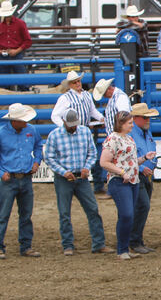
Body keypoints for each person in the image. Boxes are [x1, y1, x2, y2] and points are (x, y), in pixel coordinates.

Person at [42, 109, 110, 256]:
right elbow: (49, 158)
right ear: (64, 122)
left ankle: (99, 243)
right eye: (71, 124)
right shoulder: (55, 135)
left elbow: (92, 153)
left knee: (93, 209)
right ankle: (68, 244)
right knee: (65, 212)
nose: (74, 127)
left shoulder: (84, 132)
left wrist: (87, 167)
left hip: (81, 177)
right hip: (64, 178)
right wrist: (63, 172)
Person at [0, 103, 42, 259]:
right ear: (14, 121)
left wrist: (37, 161)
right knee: (3, 214)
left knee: (26, 214)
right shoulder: (0, 134)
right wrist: (0, 172)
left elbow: (38, 146)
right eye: (23, 120)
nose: (26, 123)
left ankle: (26, 246)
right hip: (9, 178)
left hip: (25, 177)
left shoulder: (31, 130)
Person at [100, 111, 156, 260]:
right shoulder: (112, 139)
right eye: (129, 123)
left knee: (128, 215)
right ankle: (122, 249)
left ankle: (124, 248)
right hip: (119, 181)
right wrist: (121, 172)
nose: (132, 125)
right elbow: (104, 162)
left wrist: (144, 158)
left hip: (132, 180)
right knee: (127, 214)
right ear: (121, 124)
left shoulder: (129, 138)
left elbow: (131, 161)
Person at [51, 70, 106, 196]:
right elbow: (55, 115)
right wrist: (65, 127)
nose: (77, 84)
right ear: (70, 85)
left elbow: (93, 111)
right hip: (73, 132)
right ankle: (78, 185)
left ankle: (97, 185)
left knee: (93, 157)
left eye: (78, 81)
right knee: (78, 158)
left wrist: (101, 118)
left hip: (85, 131)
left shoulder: (86, 95)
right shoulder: (65, 98)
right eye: (74, 82)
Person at [128, 102, 160, 255]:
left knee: (142, 207)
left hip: (147, 175)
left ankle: (137, 239)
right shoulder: (131, 133)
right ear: (136, 118)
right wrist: (142, 167)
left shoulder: (146, 131)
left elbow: (151, 149)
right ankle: (134, 240)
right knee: (142, 206)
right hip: (137, 175)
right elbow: (128, 157)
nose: (148, 120)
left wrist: (152, 164)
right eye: (145, 117)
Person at [0, 1, 32, 88]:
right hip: (4, 56)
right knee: (4, 82)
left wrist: (17, 50)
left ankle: (25, 91)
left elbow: (28, 41)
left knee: (22, 81)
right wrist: (0, 51)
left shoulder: (20, 24)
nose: (7, 17)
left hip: (17, 54)